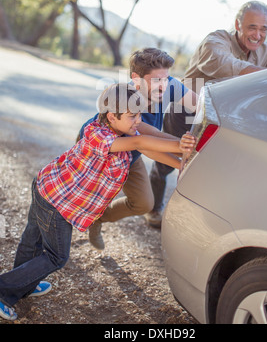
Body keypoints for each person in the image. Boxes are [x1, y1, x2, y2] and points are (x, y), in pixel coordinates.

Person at [0, 83, 196, 321]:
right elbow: (140, 143)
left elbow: (147, 145)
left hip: (49, 189)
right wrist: (180, 146)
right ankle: (4, 291)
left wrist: (183, 160)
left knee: (32, 242)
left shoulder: (120, 127)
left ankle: (23, 285)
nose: (138, 120)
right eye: (133, 116)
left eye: (140, 115)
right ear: (112, 116)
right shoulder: (97, 135)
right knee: (56, 256)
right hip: (56, 202)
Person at [149, 0, 267, 227]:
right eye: (252, 27)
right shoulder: (215, 41)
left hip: (220, 119)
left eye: (263, 29)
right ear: (238, 24)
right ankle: (153, 208)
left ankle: (192, 223)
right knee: (168, 163)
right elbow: (230, 66)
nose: (257, 34)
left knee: (209, 168)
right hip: (186, 112)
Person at [79, 48, 198, 245]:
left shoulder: (169, 85)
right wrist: (183, 157)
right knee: (77, 201)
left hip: (129, 154)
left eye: (166, 78)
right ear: (137, 78)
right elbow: (147, 142)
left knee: (144, 203)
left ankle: (98, 218)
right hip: (98, 154)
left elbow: (201, 106)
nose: (163, 86)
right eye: (157, 80)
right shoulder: (126, 101)